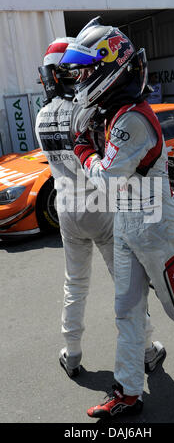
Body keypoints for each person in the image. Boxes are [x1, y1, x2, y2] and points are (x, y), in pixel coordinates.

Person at [58, 17, 174, 418]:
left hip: (155, 224)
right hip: (128, 223)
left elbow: (107, 177)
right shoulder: (114, 113)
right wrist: (91, 140)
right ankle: (128, 392)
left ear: (112, 68)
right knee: (126, 313)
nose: (81, 79)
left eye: (87, 71)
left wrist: (83, 150)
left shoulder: (131, 118)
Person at [35, 37, 166, 380]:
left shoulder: (40, 116)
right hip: (100, 205)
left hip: (65, 207)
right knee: (126, 283)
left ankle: (72, 353)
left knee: (74, 283)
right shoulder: (86, 110)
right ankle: (148, 350)